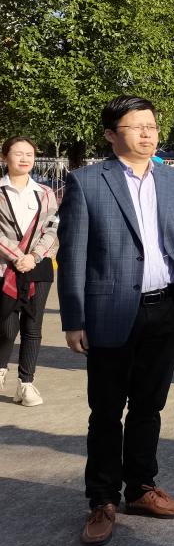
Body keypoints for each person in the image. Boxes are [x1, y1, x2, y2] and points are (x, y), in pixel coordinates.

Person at [57, 96, 174, 546]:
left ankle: (141, 488)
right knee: (106, 411)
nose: (148, 133)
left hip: (165, 309)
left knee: (149, 406)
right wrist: (74, 318)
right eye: (137, 126)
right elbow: (72, 255)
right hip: (109, 312)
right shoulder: (87, 182)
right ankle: (102, 499)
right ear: (112, 135)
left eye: (152, 125)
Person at [0, 136, 59, 407]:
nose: (24, 159)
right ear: (5, 157)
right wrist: (17, 256)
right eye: (18, 153)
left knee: (33, 326)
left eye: (29, 154)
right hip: (5, 267)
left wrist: (33, 257)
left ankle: (26, 383)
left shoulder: (45, 192)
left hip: (38, 266)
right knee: (6, 324)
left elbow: (52, 228)